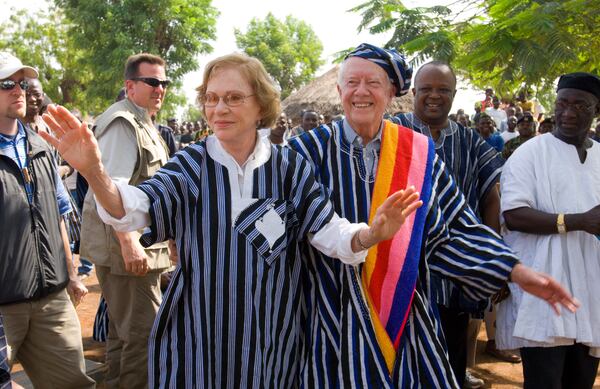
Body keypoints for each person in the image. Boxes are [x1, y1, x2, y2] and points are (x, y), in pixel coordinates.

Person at [41, 52, 423, 389]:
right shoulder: (191, 166)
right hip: (198, 340)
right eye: (211, 98)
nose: (218, 108)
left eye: (233, 98)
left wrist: (370, 234)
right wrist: (94, 172)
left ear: (261, 106)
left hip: (271, 342)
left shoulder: (289, 168)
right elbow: (134, 207)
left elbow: (329, 231)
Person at [288, 43, 577, 388]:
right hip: (329, 318)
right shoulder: (304, 151)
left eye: (373, 83)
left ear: (392, 92)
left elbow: (453, 231)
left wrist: (513, 270)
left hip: (405, 319)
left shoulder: (417, 154)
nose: (361, 92)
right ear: (339, 91)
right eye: (352, 83)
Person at [393, 60, 506, 387]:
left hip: (453, 276)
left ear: (454, 95)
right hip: (401, 272)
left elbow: (491, 197)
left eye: (443, 90)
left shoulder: (470, 141)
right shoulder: (393, 132)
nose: (434, 96)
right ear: (414, 92)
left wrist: (489, 257)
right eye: (426, 89)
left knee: (451, 361)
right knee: (400, 362)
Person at [497, 72, 600, 389]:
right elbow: (514, 215)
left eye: (580, 106)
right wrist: (577, 221)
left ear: (596, 111)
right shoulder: (530, 153)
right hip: (543, 293)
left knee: (581, 381)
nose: (568, 113)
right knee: (544, 382)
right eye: (563, 104)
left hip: (592, 292)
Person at [78, 52, 173, 388]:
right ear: (130, 86)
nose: (160, 88)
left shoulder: (143, 119)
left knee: (123, 333)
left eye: (164, 82)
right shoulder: (123, 122)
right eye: (152, 82)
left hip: (138, 249)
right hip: (128, 251)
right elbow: (111, 189)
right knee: (144, 337)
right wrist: (129, 242)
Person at [0, 52, 94, 388]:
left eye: (21, 83)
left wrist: (70, 274)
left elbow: (57, 214)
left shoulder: (40, 147)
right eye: (6, 84)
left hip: (51, 300)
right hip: (4, 308)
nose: (18, 91)